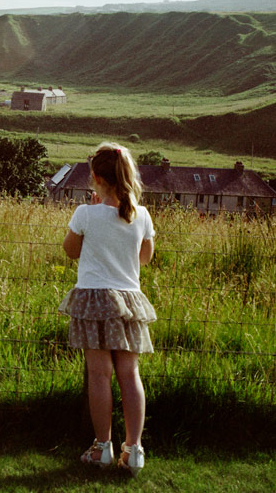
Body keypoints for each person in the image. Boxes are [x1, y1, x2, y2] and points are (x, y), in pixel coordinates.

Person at [58, 142, 157, 473]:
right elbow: (145, 258)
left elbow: (70, 250)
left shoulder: (85, 214)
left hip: (94, 298)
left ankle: (102, 448)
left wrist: (93, 219)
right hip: (129, 300)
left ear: (96, 178)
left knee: (100, 374)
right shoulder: (142, 215)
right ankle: (134, 450)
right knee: (130, 373)